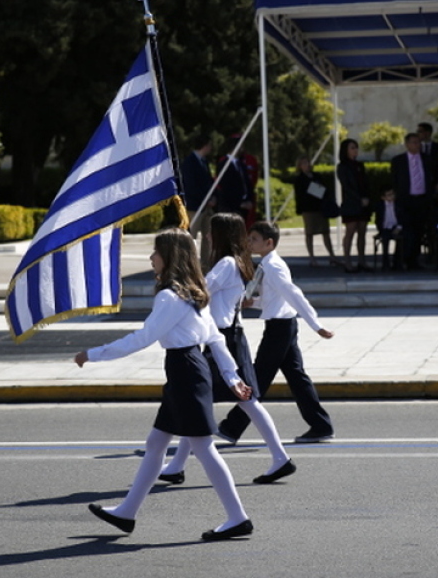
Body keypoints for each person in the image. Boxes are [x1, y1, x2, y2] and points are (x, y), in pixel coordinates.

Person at [75, 228, 254, 541]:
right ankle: (127, 512)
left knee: (203, 447)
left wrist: (93, 354)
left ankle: (237, 517)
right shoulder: (194, 292)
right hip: (187, 370)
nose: (151, 258)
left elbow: (143, 338)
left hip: (185, 371)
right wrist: (231, 376)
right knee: (156, 443)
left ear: (169, 256)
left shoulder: (171, 296)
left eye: (155, 252)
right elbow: (214, 339)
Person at [159, 214, 296, 485]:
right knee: (215, 401)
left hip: (222, 339)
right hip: (227, 336)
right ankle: (176, 466)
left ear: (221, 234)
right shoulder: (237, 261)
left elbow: (200, 290)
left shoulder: (225, 263)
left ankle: (280, 458)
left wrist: (176, 269)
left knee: (223, 400)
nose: (208, 236)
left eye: (211, 232)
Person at [218, 221, 336, 444]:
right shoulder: (268, 264)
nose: (249, 243)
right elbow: (274, 299)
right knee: (296, 377)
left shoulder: (273, 266)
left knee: (259, 377)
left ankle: (231, 427)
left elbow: (293, 295)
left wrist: (316, 324)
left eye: (254, 239)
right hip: (282, 324)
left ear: (268, 242)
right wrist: (251, 304)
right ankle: (321, 425)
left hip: (280, 328)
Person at [392, 132, 438, 270]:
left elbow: (434, 177)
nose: (416, 145)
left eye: (418, 142)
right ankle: (399, 260)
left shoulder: (428, 159)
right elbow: (395, 181)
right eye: (413, 142)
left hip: (422, 200)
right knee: (406, 231)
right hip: (406, 200)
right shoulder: (398, 161)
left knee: (418, 231)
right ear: (407, 144)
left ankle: (413, 261)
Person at [293, 156, 340, 268]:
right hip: (308, 209)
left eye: (308, 162)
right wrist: (316, 190)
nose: (307, 165)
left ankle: (332, 256)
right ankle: (312, 258)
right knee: (309, 233)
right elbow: (303, 193)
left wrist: (317, 190)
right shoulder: (299, 179)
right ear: (300, 166)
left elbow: (324, 190)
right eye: (304, 163)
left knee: (325, 232)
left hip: (320, 208)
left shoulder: (317, 176)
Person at [337, 138, 372, 272]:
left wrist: (367, 198)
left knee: (362, 232)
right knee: (350, 232)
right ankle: (347, 262)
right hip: (351, 204)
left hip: (363, 203)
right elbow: (347, 186)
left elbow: (366, 184)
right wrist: (358, 199)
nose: (355, 150)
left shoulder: (360, 165)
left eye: (356, 147)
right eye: (352, 148)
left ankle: (362, 261)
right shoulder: (342, 167)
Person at [181, 138, 216, 267]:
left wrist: (212, 198)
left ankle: (205, 265)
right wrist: (204, 199)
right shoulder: (189, 162)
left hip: (207, 207)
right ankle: (188, 265)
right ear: (204, 145)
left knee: (208, 237)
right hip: (194, 206)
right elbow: (190, 186)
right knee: (191, 236)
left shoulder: (204, 161)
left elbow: (208, 183)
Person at [374, 187, 404, 271]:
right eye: (389, 195)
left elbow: (402, 217)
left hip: (396, 227)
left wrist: (399, 227)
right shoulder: (380, 206)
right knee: (385, 240)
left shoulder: (398, 204)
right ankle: (385, 263)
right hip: (385, 228)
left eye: (392, 194)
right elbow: (378, 220)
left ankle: (397, 263)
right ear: (383, 197)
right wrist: (381, 229)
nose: (392, 196)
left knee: (400, 240)